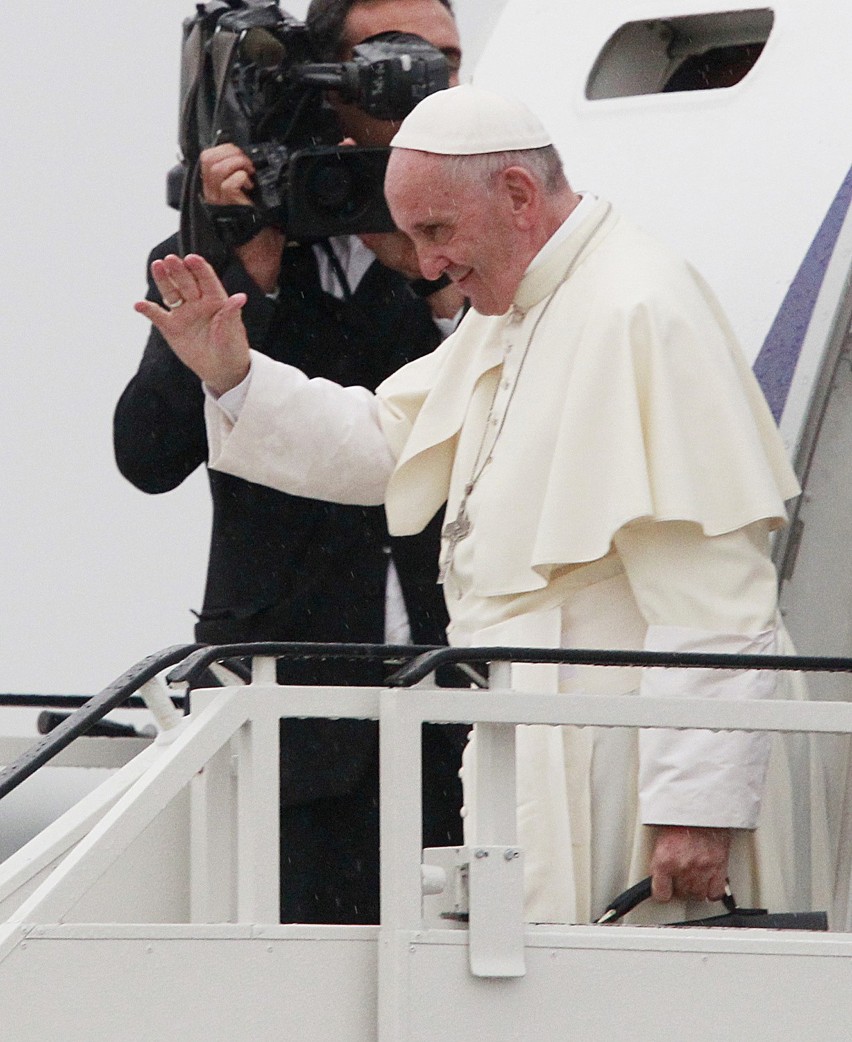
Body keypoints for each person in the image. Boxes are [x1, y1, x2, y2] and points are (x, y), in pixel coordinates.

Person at [134, 84, 830, 924]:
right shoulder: (513, 310)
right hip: (540, 729)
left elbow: (716, 590)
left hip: (635, 758)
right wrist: (233, 373)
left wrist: (696, 809)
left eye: (436, 231)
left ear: (518, 196)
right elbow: (389, 443)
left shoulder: (637, 305)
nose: (427, 265)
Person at [114, 0, 468, 926]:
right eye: (391, 58)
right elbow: (146, 455)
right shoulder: (223, 247)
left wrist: (427, 281)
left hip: (465, 700)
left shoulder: (475, 256)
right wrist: (248, 275)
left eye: (447, 60)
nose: (423, 79)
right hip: (292, 713)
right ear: (323, 76)